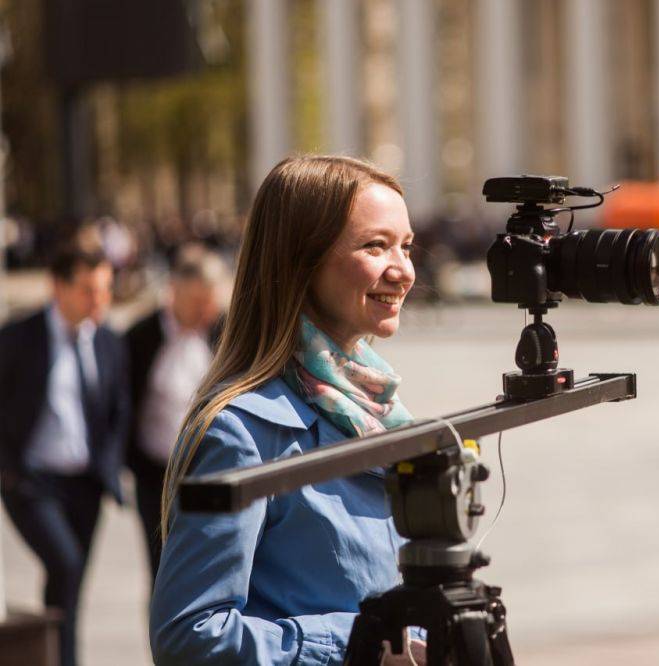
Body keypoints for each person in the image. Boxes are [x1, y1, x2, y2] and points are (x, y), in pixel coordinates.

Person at [149, 156, 426, 665]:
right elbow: (188, 635)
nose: (403, 270)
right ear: (303, 260)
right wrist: (359, 645)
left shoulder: (377, 407)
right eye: (375, 245)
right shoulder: (240, 431)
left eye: (406, 246)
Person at [0, 241, 129, 666]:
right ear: (58, 286)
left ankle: (59, 657)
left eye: (106, 289)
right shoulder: (18, 339)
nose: (100, 300)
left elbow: (117, 412)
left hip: (85, 486)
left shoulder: (109, 342)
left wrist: (107, 468)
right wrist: (10, 473)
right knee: (66, 564)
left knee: (70, 584)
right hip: (33, 484)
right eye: (89, 290)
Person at [125, 243, 226, 581]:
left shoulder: (222, 332)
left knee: (210, 571)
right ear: (173, 292)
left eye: (210, 300)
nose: (206, 310)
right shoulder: (141, 337)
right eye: (198, 301)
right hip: (156, 474)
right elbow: (122, 404)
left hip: (211, 471)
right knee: (162, 572)